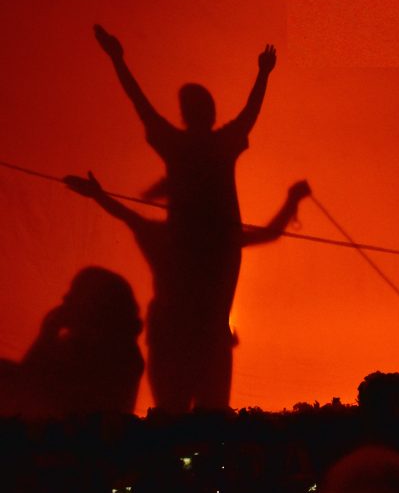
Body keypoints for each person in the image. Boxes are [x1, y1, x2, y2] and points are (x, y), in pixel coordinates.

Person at [94, 24, 278, 410]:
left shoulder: (184, 144)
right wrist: (262, 74)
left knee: (205, 324)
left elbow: (140, 103)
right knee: (207, 326)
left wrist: (117, 60)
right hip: (211, 252)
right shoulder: (213, 143)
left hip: (202, 253)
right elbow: (249, 112)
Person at [64, 172, 311, 412]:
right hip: (198, 340)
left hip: (180, 339)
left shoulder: (170, 235)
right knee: (203, 416)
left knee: (179, 414)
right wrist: (292, 200)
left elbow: (128, 216)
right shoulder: (216, 238)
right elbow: (269, 234)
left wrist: (98, 195)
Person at [0, 267, 143, 417]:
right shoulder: (78, 343)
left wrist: (48, 334)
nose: (65, 298)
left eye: (75, 293)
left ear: (96, 305)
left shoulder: (117, 356)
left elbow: (33, 387)